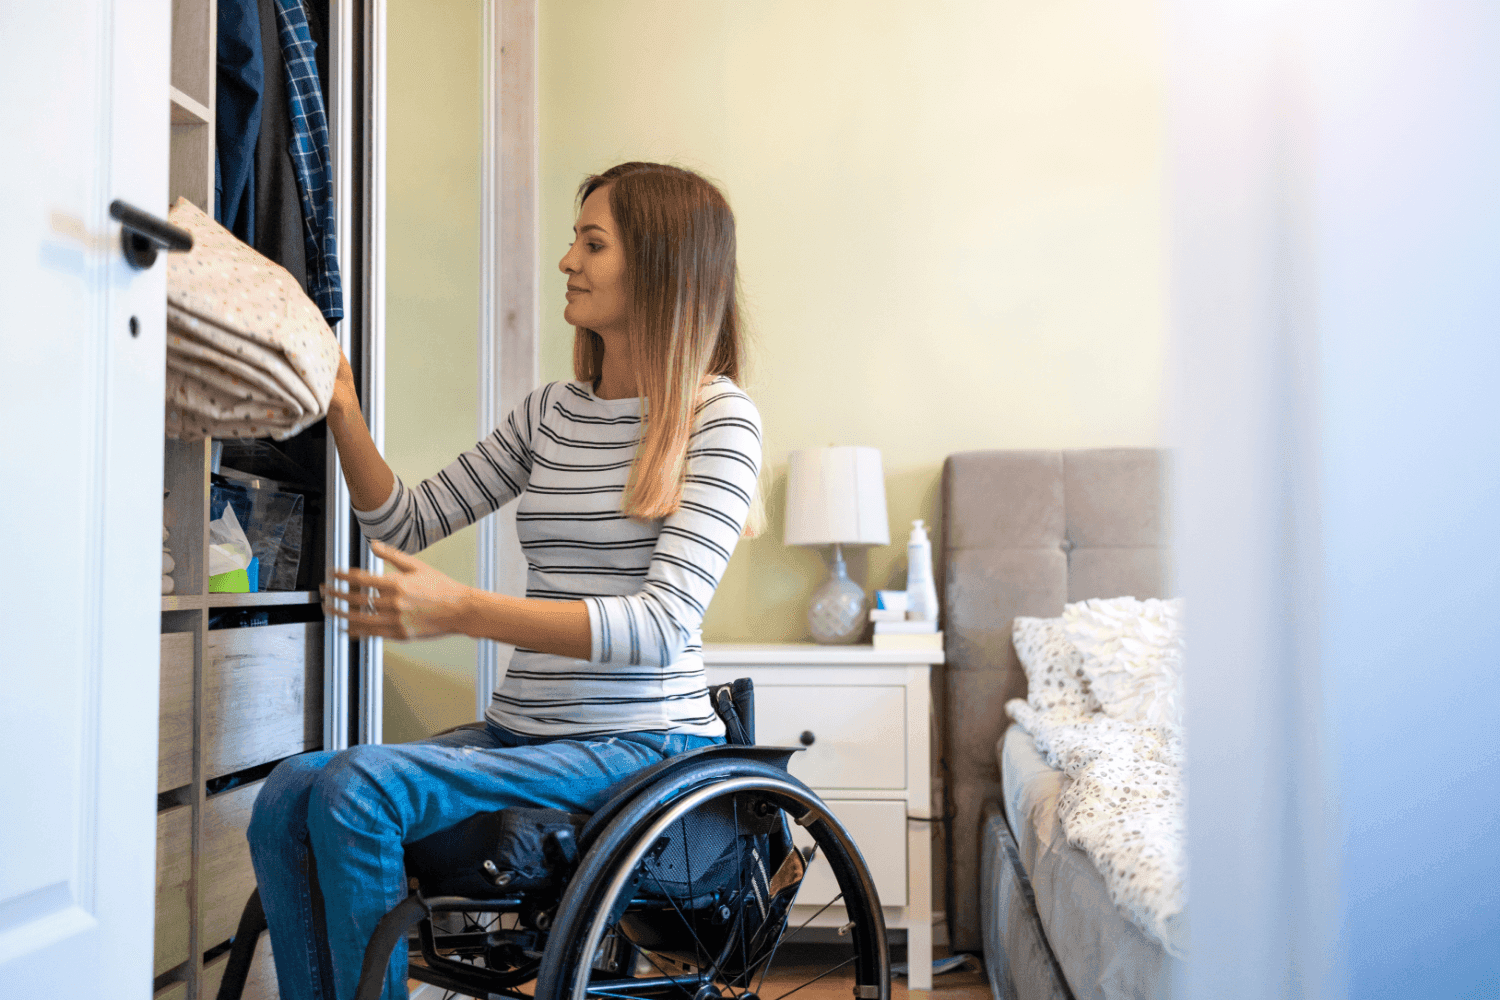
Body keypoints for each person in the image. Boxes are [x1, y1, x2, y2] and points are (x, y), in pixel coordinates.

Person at [246, 161, 763, 1000]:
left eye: (592, 243)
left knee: (353, 791)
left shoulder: (720, 418)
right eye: (574, 241)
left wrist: (463, 611)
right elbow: (404, 522)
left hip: (636, 749)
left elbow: (660, 625)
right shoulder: (552, 412)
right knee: (286, 793)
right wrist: (341, 404)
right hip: (522, 734)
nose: (567, 260)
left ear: (663, 264)